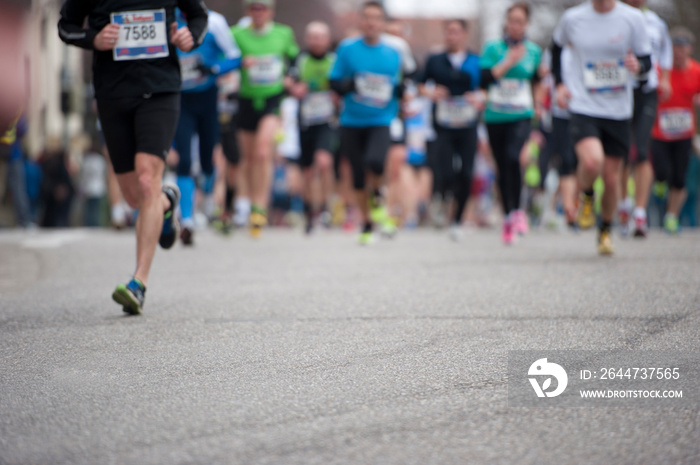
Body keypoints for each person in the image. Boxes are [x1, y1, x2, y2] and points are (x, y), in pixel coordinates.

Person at [59, 0, 208, 314]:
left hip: (160, 90)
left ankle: (138, 283)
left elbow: (198, 15)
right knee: (134, 197)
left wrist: (190, 36)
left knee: (145, 178)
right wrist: (93, 40)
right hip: (112, 94)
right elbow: (65, 26)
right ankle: (167, 202)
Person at [553, 0, 652, 255]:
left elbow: (646, 61)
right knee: (591, 162)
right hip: (583, 104)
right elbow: (555, 47)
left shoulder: (633, 18)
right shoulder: (573, 18)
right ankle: (586, 195)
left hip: (618, 109)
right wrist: (560, 84)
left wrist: (638, 67)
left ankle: (605, 231)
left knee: (610, 178)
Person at [329, 1, 403, 245]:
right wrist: (346, 85)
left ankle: (379, 194)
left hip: (380, 118)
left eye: (376, 18)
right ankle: (367, 221)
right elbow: (334, 81)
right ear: (361, 21)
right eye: (367, 17)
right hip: (351, 120)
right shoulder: (347, 49)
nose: (371, 22)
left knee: (376, 162)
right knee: (358, 176)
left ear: (382, 23)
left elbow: (402, 84)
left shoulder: (393, 53)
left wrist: (402, 90)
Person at [231, 0, 299, 238]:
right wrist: (239, 63)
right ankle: (248, 203)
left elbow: (295, 61)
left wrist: (291, 78)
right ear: (247, 11)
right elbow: (224, 58)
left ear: (271, 11)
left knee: (262, 152)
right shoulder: (236, 34)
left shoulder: (283, 33)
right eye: (253, 8)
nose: (258, 13)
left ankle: (260, 207)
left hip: (273, 99)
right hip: (246, 99)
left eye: (262, 8)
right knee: (248, 159)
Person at [174, 8, 241, 245]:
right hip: (180, 99)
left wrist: (213, 69)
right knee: (183, 159)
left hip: (208, 98)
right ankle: (187, 219)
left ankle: (208, 199)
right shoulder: (164, 17)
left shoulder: (214, 21)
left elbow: (235, 56)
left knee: (207, 159)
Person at [480, 2, 542, 245]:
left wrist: (538, 104)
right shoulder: (492, 48)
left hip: (521, 114)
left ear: (526, 24)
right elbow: (484, 79)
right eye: (512, 21)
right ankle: (507, 216)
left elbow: (536, 80)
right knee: (502, 165)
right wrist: (507, 61)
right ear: (506, 22)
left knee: (513, 156)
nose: (515, 26)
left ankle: (518, 212)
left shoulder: (534, 51)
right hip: (495, 115)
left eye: (520, 21)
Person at [420, 19, 484, 242]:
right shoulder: (435, 60)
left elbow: (486, 88)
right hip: (443, 125)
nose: (451, 36)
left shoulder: (476, 61)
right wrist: (431, 92)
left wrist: (477, 98)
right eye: (448, 32)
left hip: (468, 125)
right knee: (445, 170)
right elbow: (419, 84)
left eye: (456, 32)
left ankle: (456, 219)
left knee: (466, 172)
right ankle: (443, 197)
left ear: (464, 34)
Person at [618, 0, 673, 238]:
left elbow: (665, 54)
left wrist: (666, 80)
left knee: (642, 150)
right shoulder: (613, 18)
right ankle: (623, 204)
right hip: (619, 91)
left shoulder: (656, 23)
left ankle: (640, 211)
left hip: (647, 92)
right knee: (619, 152)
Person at [287, 21, 337, 235]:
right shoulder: (300, 59)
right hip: (306, 120)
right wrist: (294, 88)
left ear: (327, 40)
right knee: (307, 170)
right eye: (312, 37)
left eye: (320, 37)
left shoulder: (335, 60)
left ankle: (326, 207)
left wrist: (338, 95)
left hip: (328, 120)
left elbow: (344, 84)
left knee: (324, 162)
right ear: (307, 39)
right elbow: (288, 80)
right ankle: (309, 212)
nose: (316, 41)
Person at [650, 27, 700, 234]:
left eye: (682, 47)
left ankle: (671, 216)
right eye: (675, 47)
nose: (678, 51)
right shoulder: (661, 70)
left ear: (690, 49)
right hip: (659, 132)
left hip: (684, 132)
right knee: (662, 171)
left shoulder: (697, 71)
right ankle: (660, 183)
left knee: (680, 177)